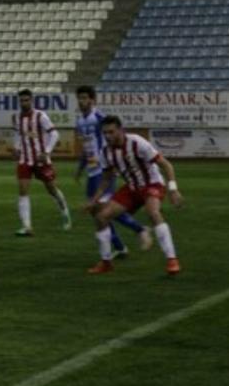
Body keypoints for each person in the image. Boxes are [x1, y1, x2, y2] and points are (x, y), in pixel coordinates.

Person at [86, 115, 182, 275]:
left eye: (111, 132)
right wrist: (93, 201)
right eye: (105, 133)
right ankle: (106, 262)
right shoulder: (105, 152)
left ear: (120, 130)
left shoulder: (137, 143)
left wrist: (173, 189)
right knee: (101, 216)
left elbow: (166, 165)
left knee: (153, 212)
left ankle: (172, 259)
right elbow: (106, 179)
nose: (108, 136)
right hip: (131, 188)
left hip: (152, 184)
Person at [74, 85, 151, 258]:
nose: (82, 101)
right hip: (92, 172)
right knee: (96, 212)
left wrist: (114, 164)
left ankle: (139, 229)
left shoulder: (99, 118)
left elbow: (112, 142)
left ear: (93, 100)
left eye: (85, 98)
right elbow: (86, 147)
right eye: (79, 98)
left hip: (104, 171)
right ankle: (120, 247)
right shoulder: (80, 122)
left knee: (105, 209)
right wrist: (80, 168)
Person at [12, 89, 71, 236]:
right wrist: (16, 148)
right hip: (24, 160)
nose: (24, 103)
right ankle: (27, 227)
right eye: (21, 100)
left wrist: (47, 152)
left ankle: (65, 213)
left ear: (31, 100)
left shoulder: (40, 116)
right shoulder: (17, 117)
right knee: (23, 191)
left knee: (51, 189)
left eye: (26, 100)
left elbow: (55, 133)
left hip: (41, 160)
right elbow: (17, 135)